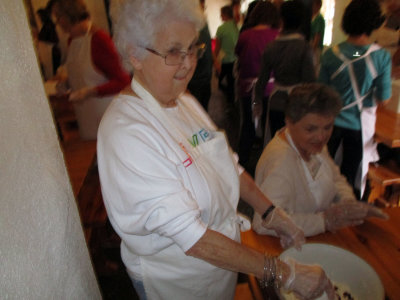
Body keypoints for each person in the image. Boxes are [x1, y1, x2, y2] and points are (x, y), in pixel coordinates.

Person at [97, 1, 336, 299]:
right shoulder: (126, 132)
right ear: (135, 54)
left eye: (193, 48)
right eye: (173, 52)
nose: (188, 64)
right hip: (178, 281)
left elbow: (227, 164)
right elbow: (194, 239)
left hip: (219, 266)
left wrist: (272, 212)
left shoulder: (184, 101)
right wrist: (283, 274)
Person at [253, 83, 388, 237]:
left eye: (328, 127)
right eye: (311, 129)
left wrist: (347, 204)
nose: (321, 137)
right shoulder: (280, 162)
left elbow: (335, 179)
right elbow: (263, 224)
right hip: (287, 247)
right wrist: (324, 221)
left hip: (318, 237)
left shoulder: (312, 145)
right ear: (289, 122)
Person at [319, 0, 391, 200]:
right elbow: (384, 99)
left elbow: (321, 92)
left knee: (326, 173)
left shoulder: (330, 54)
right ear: (374, 23)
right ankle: (348, 221)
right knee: (352, 176)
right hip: (359, 127)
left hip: (330, 124)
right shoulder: (381, 56)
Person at [51, 0, 130, 140]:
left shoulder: (99, 39)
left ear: (66, 17)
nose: (58, 23)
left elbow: (123, 81)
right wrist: (67, 83)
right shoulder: (72, 41)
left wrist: (91, 91)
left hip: (106, 114)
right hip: (86, 116)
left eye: (58, 18)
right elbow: (84, 73)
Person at [254, 0, 316, 144]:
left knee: (277, 143)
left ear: (281, 20)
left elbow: (261, 80)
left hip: (276, 101)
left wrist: (257, 103)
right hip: (298, 106)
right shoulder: (305, 48)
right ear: (301, 21)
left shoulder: (271, 47)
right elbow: (311, 83)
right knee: (295, 146)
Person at [235, 1, 280, 167]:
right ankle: (270, 164)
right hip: (270, 89)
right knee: (269, 127)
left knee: (248, 124)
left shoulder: (245, 35)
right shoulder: (277, 35)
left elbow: (238, 55)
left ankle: (242, 164)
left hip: (248, 89)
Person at [187, 0, 213, 111]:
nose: (203, 9)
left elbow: (207, 45)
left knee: (204, 109)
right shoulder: (189, 24)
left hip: (206, 77)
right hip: (195, 79)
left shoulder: (204, 23)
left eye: (203, 6)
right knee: (196, 111)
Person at [213, 5, 239, 104]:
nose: (220, 17)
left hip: (224, 61)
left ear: (225, 15)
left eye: (221, 14)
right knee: (231, 82)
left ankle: (228, 101)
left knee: (220, 82)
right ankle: (231, 102)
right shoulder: (236, 26)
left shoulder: (221, 28)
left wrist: (215, 60)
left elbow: (217, 48)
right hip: (235, 60)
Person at [310, 0, 325, 72]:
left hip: (316, 48)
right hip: (310, 46)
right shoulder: (312, 17)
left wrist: (312, 49)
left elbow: (317, 36)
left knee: (314, 67)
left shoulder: (319, 18)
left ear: (319, 6)